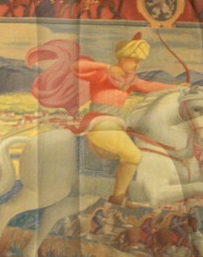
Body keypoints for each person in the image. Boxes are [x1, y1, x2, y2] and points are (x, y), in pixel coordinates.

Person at [27, 32, 176, 204]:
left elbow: (149, 86)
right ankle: (118, 197)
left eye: (138, 61)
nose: (137, 65)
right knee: (133, 155)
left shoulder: (130, 78)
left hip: (117, 123)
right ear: (122, 58)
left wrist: (176, 87)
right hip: (99, 122)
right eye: (134, 60)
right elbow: (77, 67)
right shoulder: (102, 73)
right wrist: (105, 66)